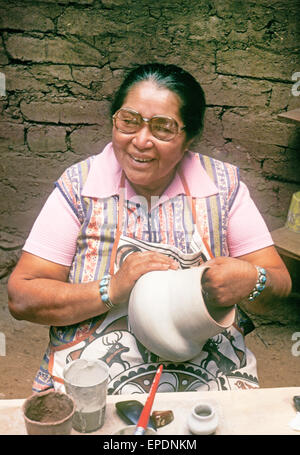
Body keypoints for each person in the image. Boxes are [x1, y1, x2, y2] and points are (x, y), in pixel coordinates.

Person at [7, 63, 291, 395]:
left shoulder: (222, 187)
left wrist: (252, 280)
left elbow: (279, 284)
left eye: (163, 128)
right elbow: (22, 296)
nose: (141, 141)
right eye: (128, 122)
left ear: (189, 138)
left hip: (209, 371)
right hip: (91, 377)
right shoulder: (80, 187)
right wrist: (110, 290)